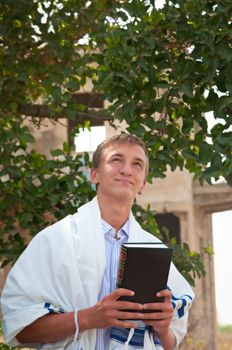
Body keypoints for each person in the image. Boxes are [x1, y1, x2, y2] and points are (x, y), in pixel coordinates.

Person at [1, 133, 194, 350]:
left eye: (137, 164)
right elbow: (20, 328)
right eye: (116, 160)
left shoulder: (154, 251)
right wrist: (88, 318)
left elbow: (171, 343)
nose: (127, 170)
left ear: (142, 184)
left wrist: (163, 328)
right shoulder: (54, 241)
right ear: (94, 174)